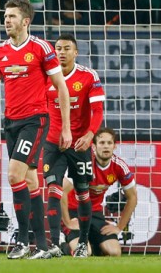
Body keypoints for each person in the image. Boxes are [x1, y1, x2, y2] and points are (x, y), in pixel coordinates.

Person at [0, 0, 72, 260]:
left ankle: (23, 240)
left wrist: (66, 128)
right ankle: (43, 245)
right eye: (5, 15)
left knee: (14, 175)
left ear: (25, 21)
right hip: (10, 123)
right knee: (29, 180)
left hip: (35, 120)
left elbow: (61, 86)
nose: (6, 20)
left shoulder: (41, 48)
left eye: (12, 16)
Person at [43, 34, 105, 258]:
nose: (61, 52)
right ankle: (53, 243)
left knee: (82, 193)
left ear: (75, 52)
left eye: (66, 48)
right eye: (58, 48)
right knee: (53, 189)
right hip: (54, 142)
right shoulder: (46, 76)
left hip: (79, 144)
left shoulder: (88, 76)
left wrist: (90, 135)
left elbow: (97, 110)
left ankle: (83, 242)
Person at [61, 127, 138, 257]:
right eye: (102, 143)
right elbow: (61, 191)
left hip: (95, 212)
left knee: (114, 252)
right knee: (85, 252)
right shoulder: (83, 162)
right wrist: (68, 222)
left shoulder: (119, 166)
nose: (106, 146)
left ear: (114, 147)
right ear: (94, 146)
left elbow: (133, 197)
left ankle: (93, 241)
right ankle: (62, 244)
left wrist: (119, 227)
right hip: (74, 211)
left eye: (109, 143)